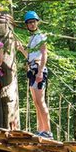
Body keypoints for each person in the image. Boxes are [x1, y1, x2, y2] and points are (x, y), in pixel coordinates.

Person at [17, 11, 52, 139]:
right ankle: (41, 129)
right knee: (36, 102)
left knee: (41, 101)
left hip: (38, 69)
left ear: (37, 22)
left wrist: (41, 71)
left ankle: (47, 131)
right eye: (29, 23)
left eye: (33, 22)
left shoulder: (41, 36)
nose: (31, 24)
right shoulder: (32, 38)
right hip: (32, 69)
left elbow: (44, 54)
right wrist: (21, 49)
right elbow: (30, 56)